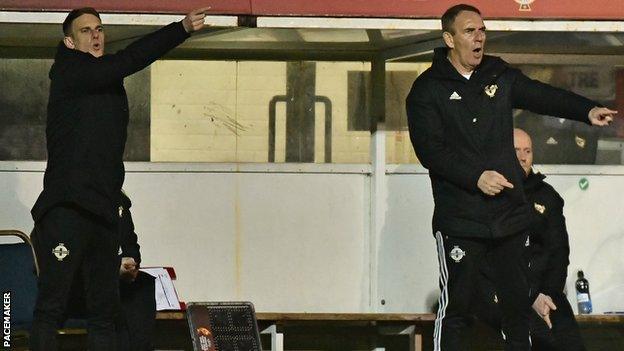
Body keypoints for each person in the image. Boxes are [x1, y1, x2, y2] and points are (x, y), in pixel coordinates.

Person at [405, 4, 616, 351]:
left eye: (482, 30)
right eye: (470, 31)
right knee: (457, 306)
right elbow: (430, 150)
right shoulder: (428, 89)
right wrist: (475, 178)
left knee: (518, 308)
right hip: (462, 219)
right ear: (449, 39)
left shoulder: (497, 75)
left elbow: (540, 95)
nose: (479, 38)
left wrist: (585, 109)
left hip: (508, 216)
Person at [30, 7, 209, 350]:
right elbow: (129, 60)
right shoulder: (69, 70)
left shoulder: (105, 78)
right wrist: (180, 29)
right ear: (69, 41)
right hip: (67, 208)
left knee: (104, 313)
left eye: (99, 29)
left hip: (102, 211)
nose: (95, 35)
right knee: (50, 309)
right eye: (85, 31)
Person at [475, 129, 586, 351]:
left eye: (528, 151)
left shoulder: (548, 197)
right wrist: (531, 296)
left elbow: (559, 253)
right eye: (516, 151)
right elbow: (489, 258)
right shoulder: (487, 195)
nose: (523, 157)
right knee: (540, 338)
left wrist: (546, 294)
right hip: (502, 294)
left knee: (570, 340)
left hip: (545, 293)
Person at [61, 191, 156, 351]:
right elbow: (72, 257)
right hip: (80, 284)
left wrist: (131, 261)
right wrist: (112, 267)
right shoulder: (71, 202)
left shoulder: (119, 203)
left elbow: (131, 244)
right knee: (113, 299)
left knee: (144, 285)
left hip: (116, 282)